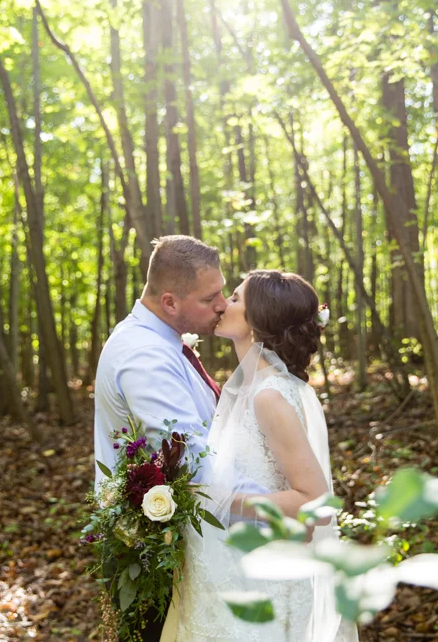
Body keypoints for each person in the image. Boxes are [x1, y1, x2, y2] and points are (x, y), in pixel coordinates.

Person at [167, 270, 358, 642]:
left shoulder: (269, 395)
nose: (223, 304)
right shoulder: (249, 387)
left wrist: (215, 498)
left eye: (235, 298)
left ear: (258, 321)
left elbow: (315, 500)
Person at [93, 235, 229, 641]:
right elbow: (188, 454)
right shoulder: (144, 355)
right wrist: (273, 499)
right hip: (150, 551)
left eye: (223, 291)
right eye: (210, 298)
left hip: (180, 542)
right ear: (170, 302)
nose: (222, 304)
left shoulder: (161, 341)